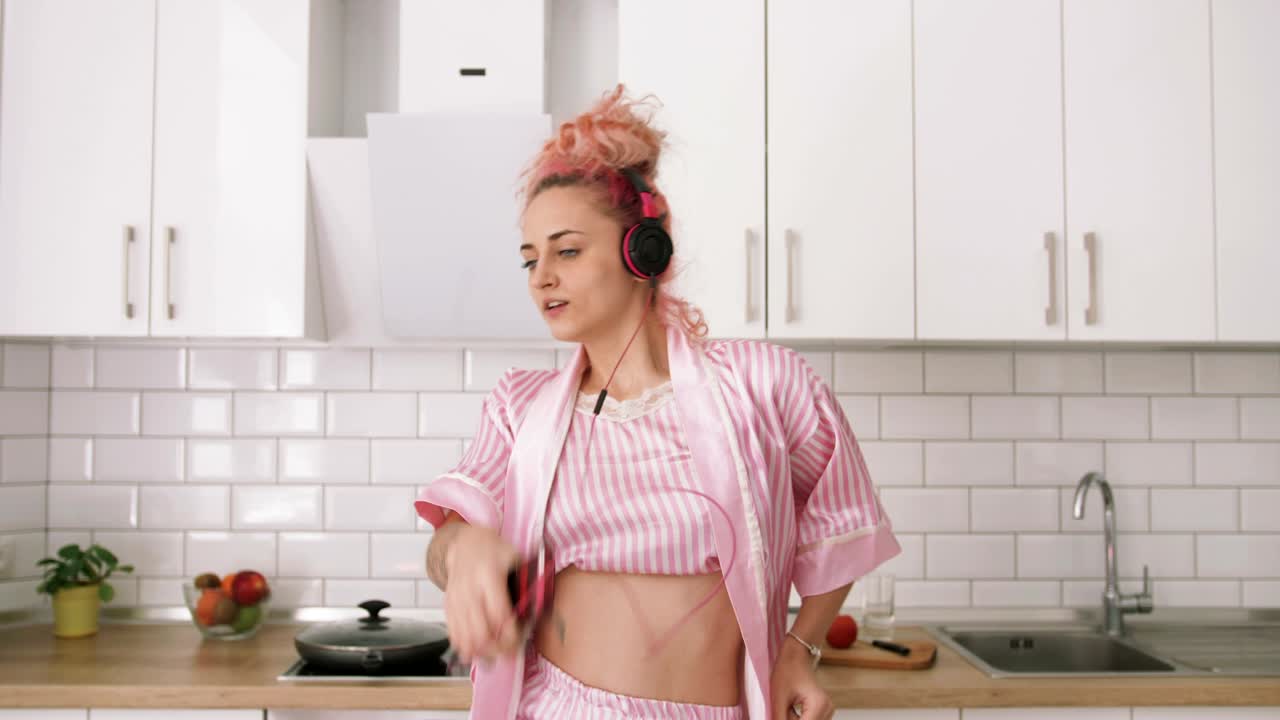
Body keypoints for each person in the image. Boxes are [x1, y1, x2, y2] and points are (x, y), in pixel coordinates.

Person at [415, 84, 900, 720]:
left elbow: (843, 517)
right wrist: (464, 550)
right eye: (530, 260)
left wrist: (797, 650)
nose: (542, 278)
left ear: (644, 247)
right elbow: (448, 535)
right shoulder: (520, 406)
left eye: (567, 250)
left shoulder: (764, 383)